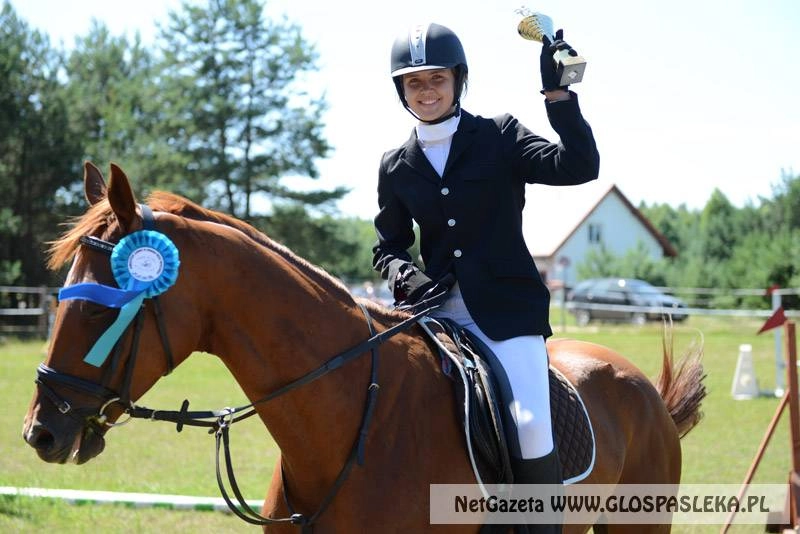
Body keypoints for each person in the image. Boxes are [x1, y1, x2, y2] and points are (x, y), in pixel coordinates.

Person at [372, 22, 599, 531]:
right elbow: (387, 244)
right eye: (414, 83)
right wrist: (403, 272)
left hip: (506, 315)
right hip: (433, 317)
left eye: (436, 79)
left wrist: (558, 95)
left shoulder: (499, 136)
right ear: (401, 90)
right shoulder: (395, 165)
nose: (426, 91)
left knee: (531, 426)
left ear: (458, 80)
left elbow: (579, 165)